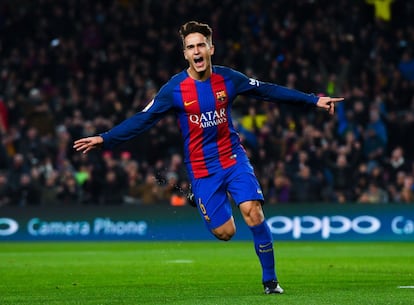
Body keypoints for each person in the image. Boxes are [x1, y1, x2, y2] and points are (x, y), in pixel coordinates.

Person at [73, 21, 343, 295]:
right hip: (202, 169)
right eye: (190, 47)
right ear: (185, 54)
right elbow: (143, 119)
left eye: (201, 44)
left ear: (211, 48)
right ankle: (198, 197)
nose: (197, 51)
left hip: (233, 157)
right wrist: (105, 138)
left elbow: (268, 90)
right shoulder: (174, 89)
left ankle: (270, 282)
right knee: (225, 233)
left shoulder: (229, 79)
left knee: (252, 211)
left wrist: (313, 100)